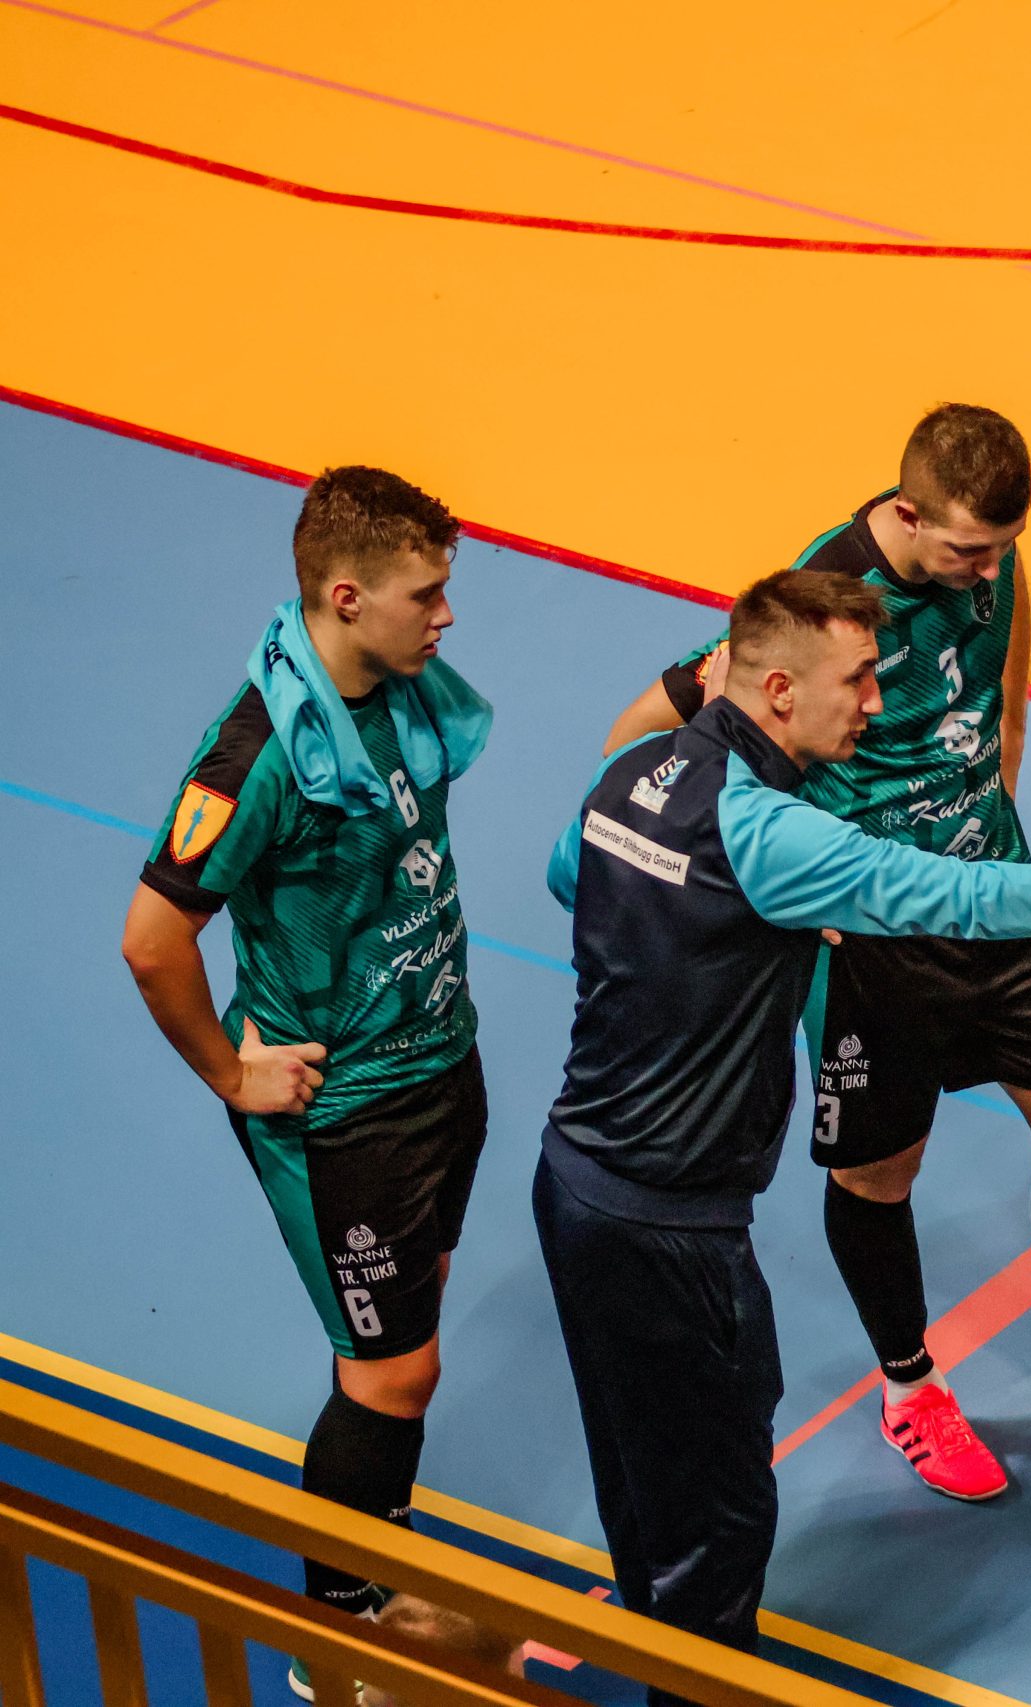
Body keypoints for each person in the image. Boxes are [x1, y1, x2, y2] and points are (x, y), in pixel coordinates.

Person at [537, 570, 1031, 1694]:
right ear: (777, 690)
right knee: (718, 1500)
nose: (875, 700)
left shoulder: (630, 775)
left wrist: (728, 925)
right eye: (858, 680)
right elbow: (970, 898)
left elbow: (567, 876)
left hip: (575, 1179)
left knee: (644, 1459)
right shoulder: (770, 832)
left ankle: (661, 1639)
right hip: (671, 1220)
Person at [601, 405, 1031, 1503]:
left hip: (993, 891)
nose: (988, 569)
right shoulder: (824, 593)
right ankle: (910, 1389)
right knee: (878, 1170)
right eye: (968, 551)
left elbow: (1001, 664)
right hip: (874, 935)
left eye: (1002, 548)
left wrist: (1002, 764)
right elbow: (640, 742)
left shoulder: (989, 558)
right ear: (907, 513)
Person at [120, 468, 490, 1695]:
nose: (447, 616)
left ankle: (376, 1568)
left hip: (441, 1062)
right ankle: (336, 1647)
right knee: (392, 1372)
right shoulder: (257, 756)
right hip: (345, 1109)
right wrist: (233, 1074)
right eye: (425, 594)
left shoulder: (397, 689)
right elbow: (153, 941)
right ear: (345, 597)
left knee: (407, 1343)